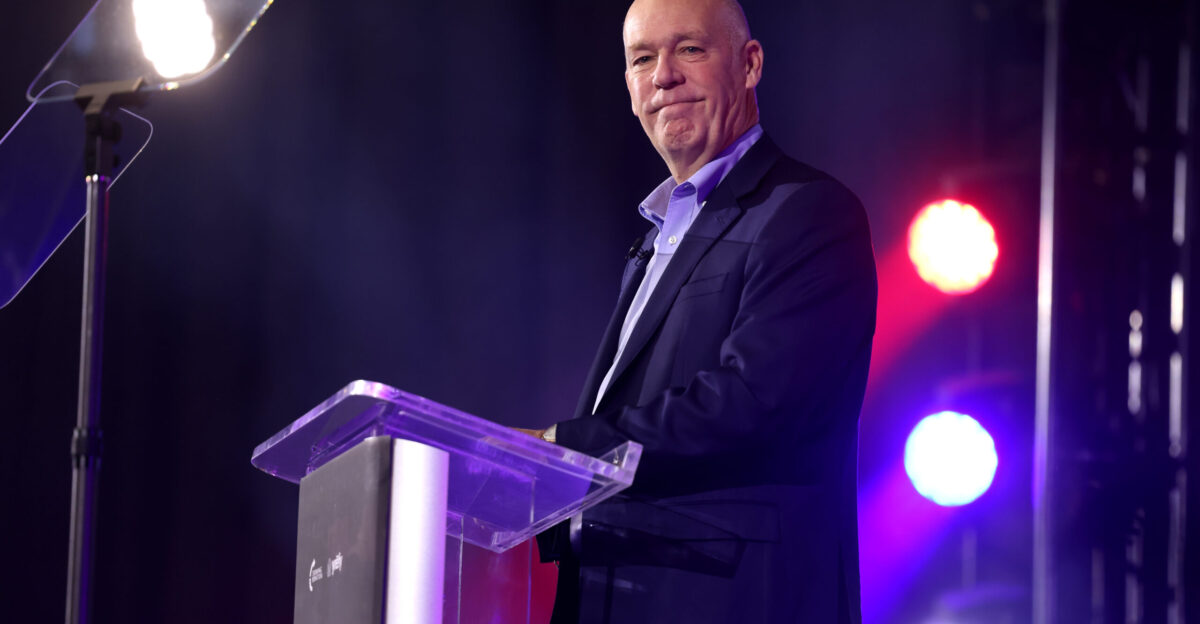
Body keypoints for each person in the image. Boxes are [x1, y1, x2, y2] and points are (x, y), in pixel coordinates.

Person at [521, 0, 876, 621]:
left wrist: (563, 449)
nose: (662, 76)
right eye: (642, 59)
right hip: (614, 589)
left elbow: (757, 399)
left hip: (732, 598)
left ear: (749, 64)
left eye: (689, 49)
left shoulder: (808, 213)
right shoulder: (655, 236)